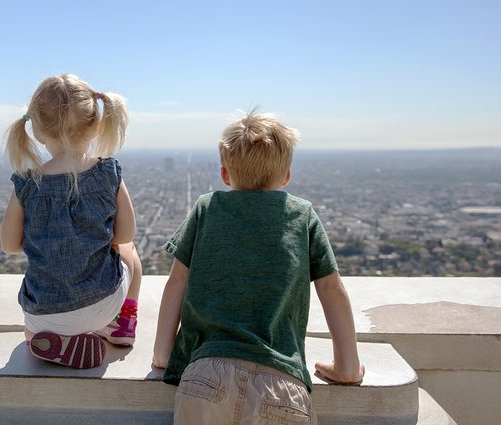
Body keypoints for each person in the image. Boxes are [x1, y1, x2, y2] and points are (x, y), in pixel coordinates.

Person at [152, 110, 364, 424]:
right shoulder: (302, 215)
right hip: (282, 382)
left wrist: (163, 355)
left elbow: (177, 284)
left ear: (225, 175)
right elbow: (332, 289)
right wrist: (346, 367)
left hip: (205, 374)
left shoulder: (206, 208)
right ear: (287, 175)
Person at [0, 74, 143, 370]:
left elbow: (9, 245)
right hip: (104, 302)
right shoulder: (108, 173)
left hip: (44, 312)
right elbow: (126, 233)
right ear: (95, 124)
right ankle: (121, 324)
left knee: (31, 333)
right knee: (130, 251)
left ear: (37, 131)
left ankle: (51, 342)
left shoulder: (27, 184)